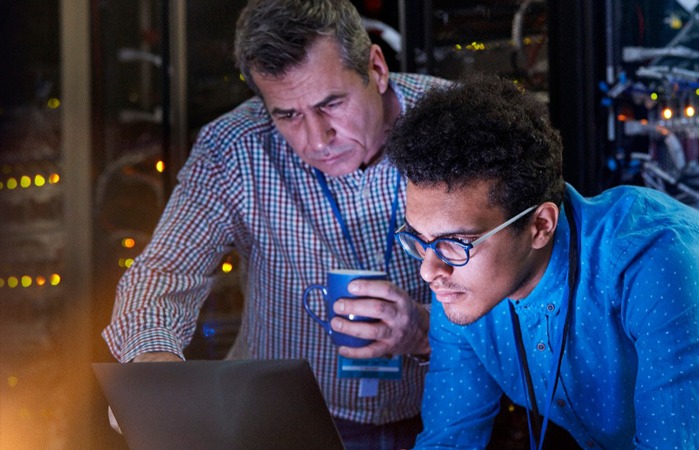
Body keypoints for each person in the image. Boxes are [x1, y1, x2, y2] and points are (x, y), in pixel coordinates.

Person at [384, 75, 699, 449]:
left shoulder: (659, 257)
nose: (429, 270)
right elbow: (448, 440)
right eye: (419, 240)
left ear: (540, 226)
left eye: (455, 242)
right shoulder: (460, 284)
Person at [101, 0, 449, 448]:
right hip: (284, 422)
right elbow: (160, 275)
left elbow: (533, 282)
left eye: (332, 103)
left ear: (377, 69)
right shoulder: (234, 149)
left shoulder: (453, 122)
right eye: (287, 115)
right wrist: (152, 367)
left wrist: (427, 329)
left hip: (445, 411)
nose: (317, 139)